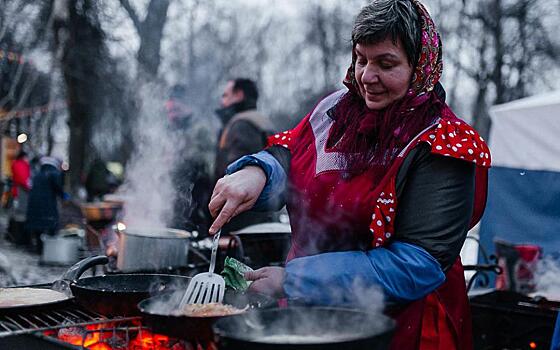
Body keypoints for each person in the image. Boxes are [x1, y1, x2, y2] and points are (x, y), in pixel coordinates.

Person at [208, 1, 491, 349]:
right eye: (361, 58)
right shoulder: (334, 111)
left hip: (402, 328)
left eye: (386, 64)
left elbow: (419, 264)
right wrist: (258, 172)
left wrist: (295, 280)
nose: (367, 76)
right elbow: (290, 154)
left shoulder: (443, 143)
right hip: (313, 315)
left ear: (421, 66)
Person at [213, 78, 277, 233]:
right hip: (263, 217)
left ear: (239, 95)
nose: (222, 101)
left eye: (225, 95)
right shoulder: (261, 121)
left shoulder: (242, 125)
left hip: (242, 222)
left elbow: (238, 177)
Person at [25, 156, 66, 253]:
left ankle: (39, 248)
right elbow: (58, 188)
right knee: (50, 224)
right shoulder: (54, 173)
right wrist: (63, 195)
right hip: (48, 204)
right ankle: (49, 250)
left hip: (34, 204)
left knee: (37, 225)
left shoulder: (37, 174)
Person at [8, 150, 31, 244]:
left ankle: (13, 235)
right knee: (20, 216)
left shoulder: (17, 164)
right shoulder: (21, 165)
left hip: (18, 192)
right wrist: (29, 187)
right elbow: (23, 179)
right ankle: (17, 237)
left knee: (16, 215)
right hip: (21, 193)